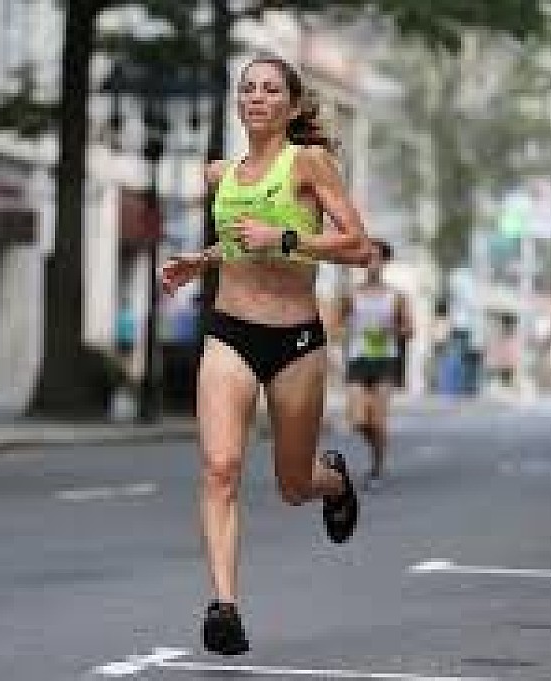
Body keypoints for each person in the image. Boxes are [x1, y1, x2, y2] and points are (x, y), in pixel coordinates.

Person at [159, 55, 373, 656]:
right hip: (229, 331)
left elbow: (359, 247)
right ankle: (224, 607)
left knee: (293, 485)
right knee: (221, 467)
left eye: (271, 89)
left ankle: (333, 482)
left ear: (292, 104)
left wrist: (286, 238)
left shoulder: (308, 163)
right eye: (248, 88)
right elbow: (238, 243)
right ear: (238, 102)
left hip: (294, 339)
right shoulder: (219, 174)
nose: (257, 97)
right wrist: (200, 261)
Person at [335, 240, 412, 489]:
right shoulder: (351, 295)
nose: (372, 263)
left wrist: (395, 329)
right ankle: (378, 446)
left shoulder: (396, 297)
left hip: (385, 361)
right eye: (367, 258)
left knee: (378, 421)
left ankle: (377, 468)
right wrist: (343, 332)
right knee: (358, 420)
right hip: (358, 360)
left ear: (386, 262)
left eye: (377, 258)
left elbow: (409, 329)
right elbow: (337, 325)